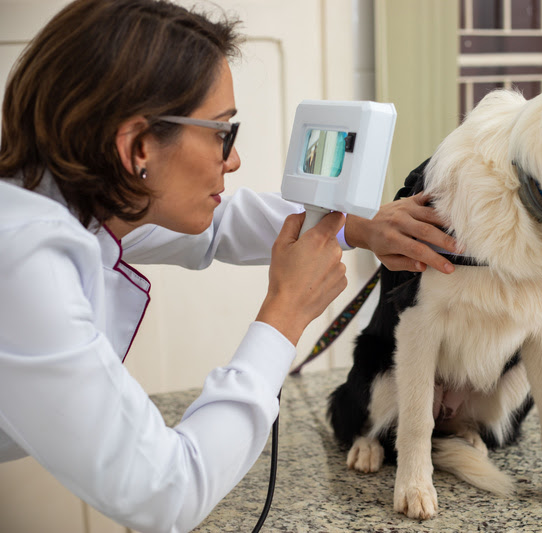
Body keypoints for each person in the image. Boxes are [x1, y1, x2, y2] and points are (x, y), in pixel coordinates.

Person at [0, 1, 459, 531]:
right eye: (222, 132)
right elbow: (165, 492)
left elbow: (217, 226)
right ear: (138, 145)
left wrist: (357, 225)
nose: (233, 159)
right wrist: (284, 315)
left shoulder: (61, 199)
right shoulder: (23, 262)